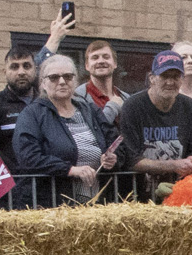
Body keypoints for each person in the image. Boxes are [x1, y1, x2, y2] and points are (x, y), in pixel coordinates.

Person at [13, 53, 120, 206]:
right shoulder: (32, 114)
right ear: (43, 83)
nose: (62, 82)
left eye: (68, 77)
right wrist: (70, 170)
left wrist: (113, 158)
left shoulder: (90, 110)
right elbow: (28, 157)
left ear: (75, 81)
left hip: (96, 204)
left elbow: (116, 143)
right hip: (53, 205)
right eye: (54, 77)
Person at [117, 49, 192, 201]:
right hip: (138, 199)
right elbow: (132, 161)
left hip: (179, 195)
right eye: (164, 76)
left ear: (182, 79)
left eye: (175, 77)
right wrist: (175, 165)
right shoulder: (133, 106)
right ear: (152, 78)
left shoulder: (189, 107)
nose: (170, 82)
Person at [0, 45, 39, 203]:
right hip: (8, 197)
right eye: (14, 67)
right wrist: (8, 195)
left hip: (45, 191)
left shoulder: (45, 103)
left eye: (26, 66)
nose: (21, 72)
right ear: (4, 72)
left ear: (35, 70)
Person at [78, 39, 125, 124]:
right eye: (95, 58)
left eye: (106, 57)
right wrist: (113, 107)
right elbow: (89, 129)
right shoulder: (78, 97)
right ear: (87, 66)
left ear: (115, 64)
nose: (101, 61)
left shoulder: (125, 97)